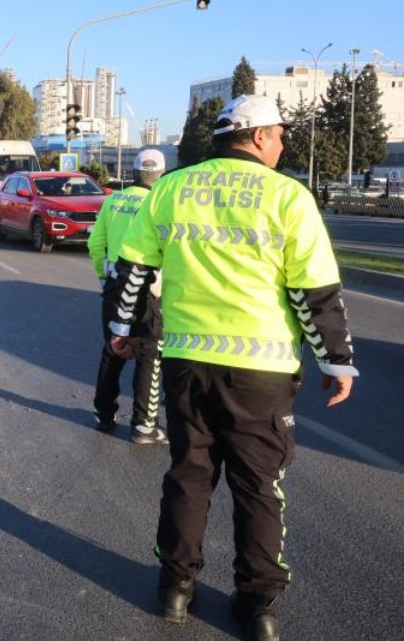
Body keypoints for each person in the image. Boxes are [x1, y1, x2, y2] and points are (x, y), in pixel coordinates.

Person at [105, 94, 357, 640]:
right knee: (260, 487)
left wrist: (122, 331)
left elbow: (132, 269)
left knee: (189, 476)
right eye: (282, 133)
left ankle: (175, 588)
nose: (285, 142)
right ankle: (257, 605)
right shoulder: (288, 196)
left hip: (187, 362)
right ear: (260, 135)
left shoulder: (169, 189)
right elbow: (314, 291)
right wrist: (336, 361)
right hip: (261, 372)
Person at [87, 149, 168, 444]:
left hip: (115, 285)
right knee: (149, 353)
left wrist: (104, 276)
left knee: (113, 348)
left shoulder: (112, 200)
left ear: (133, 172)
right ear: (160, 175)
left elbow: (96, 244)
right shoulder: (160, 203)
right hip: (148, 289)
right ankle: (144, 425)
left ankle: (103, 413)